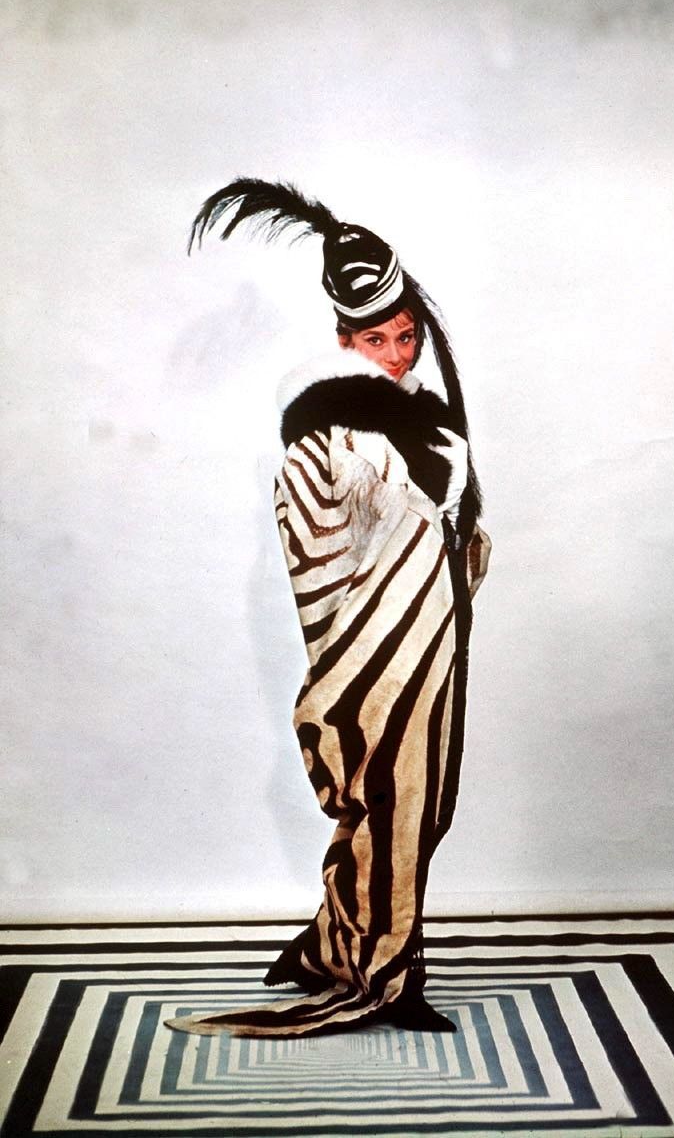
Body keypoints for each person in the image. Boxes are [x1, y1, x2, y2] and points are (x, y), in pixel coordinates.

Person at [165, 181, 490, 1039]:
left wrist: (448, 564)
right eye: (377, 339)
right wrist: (355, 648)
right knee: (395, 803)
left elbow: (451, 530)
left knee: (419, 807)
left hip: (432, 639)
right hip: (379, 647)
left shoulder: (425, 423)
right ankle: (383, 975)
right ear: (344, 338)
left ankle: (332, 944)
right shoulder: (326, 433)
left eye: (407, 336)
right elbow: (314, 555)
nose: (396, 354)